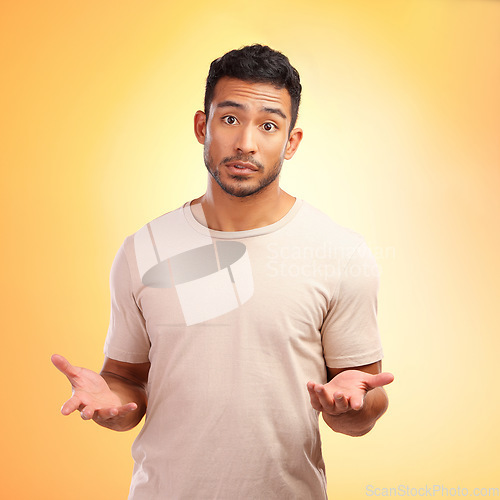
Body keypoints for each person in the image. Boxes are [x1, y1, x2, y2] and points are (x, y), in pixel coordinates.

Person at [52, 44, 394, 499]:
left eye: (269, 125)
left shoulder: (338, 252)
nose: (246, 143)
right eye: (230, 119)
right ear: (202, 125)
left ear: (290, 142)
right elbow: (127, 379)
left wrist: (350, 408)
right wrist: (113, 401)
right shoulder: (143, 249)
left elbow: (365, 400)